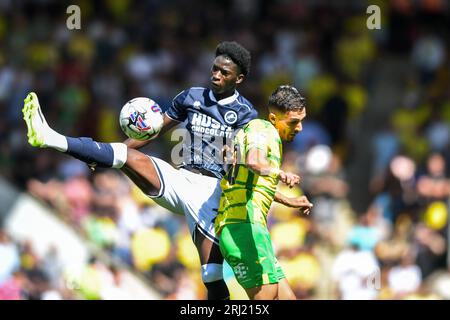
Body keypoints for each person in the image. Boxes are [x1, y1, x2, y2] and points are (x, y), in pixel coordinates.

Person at [22, 41, 258, 300]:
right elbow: (154, 130)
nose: (216, 75)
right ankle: (50, 136)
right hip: (180, 179)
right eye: (214, 69)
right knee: (125, 155)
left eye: (224, 72)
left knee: (212, 276)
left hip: (212, 193)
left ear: (239, 78)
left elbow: (250, 160)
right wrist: (106, 156)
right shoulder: (191, 97)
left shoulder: (247, 114)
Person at [215, 85, 313, 300]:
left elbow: (252, 183)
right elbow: (254, 162)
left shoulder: (266, 134)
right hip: (241, 225)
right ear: (273, 118)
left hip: (251, 226)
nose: (300, 128)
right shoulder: (262, 129)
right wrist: (279, 173)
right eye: (294, 122)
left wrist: (288, 200)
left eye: (301, 121)